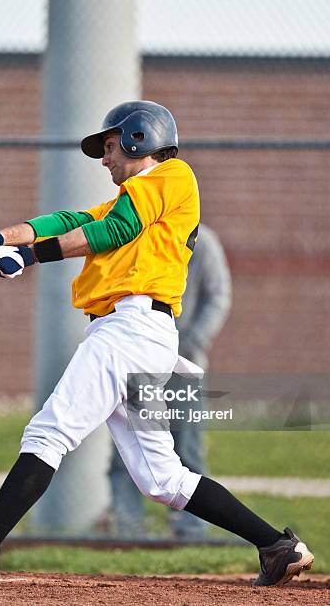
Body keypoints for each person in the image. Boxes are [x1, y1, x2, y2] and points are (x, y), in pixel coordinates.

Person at [0, 101, 313, 588]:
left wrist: (29, 257)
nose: (104, 159)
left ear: (140, 138)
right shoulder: (135, 198)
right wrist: (2, 239)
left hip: (130, 332)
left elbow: (111, 231)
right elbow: (71, 220)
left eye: (109, 146)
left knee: (48, 434)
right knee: (162, 478)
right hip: (138, 337)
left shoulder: (171, 176)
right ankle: (277, 547)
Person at [108, 223, 231, 540]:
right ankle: (128, 530)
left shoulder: (204, 243)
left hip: (183, 368)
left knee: (187, 449)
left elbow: (218, 298)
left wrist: (189, 343)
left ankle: (191, 530)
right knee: (127, 449)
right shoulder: (137, 235)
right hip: (137, 361)